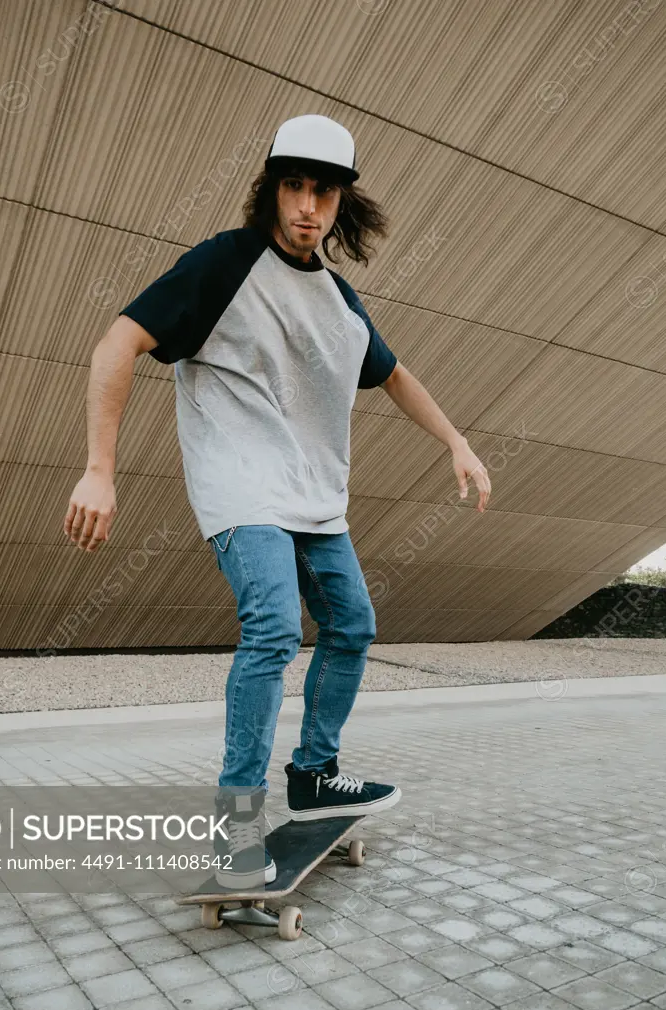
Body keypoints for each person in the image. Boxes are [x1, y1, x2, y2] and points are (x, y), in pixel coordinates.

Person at [63, 114, 491, 887]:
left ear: (340, 205)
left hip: (314, 500)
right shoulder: (225, 262)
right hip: (241, 487)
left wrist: (455, 441)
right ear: (272, 190)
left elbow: (393, 372)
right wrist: (100, 467)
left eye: (322, 193)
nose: (306, 207)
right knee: (271, 626)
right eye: (293, 187)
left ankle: (315, 773)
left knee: (354, 622)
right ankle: (234, 831)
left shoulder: (338, 300)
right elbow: (117, 343)